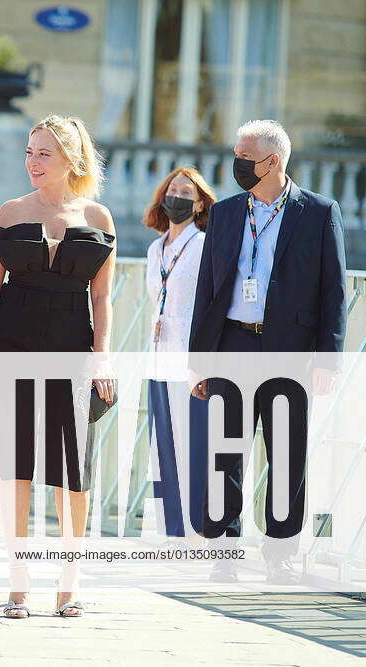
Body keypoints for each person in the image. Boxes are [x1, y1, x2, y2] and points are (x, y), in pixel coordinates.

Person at [0, 115, 116, 618]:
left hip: (73, 350)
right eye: (30, 152)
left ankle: (70, 580)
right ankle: (18, 579)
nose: (33, 162)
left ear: (71, 158)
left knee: (71, 472)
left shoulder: (98, 218)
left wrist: (102, 361)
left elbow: (103, 299)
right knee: (17, 469)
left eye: (44, 153)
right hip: (12, 345)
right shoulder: (10, 211)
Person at [189, 119, 346, 584]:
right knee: (224, 452)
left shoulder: (318, 212)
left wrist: (327, 359)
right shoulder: (226, 212)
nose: (235, 164)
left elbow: (334, 292)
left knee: (286, 453)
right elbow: (207, 289)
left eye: (243, 156)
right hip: (232, 344)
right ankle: (224, 547)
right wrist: (200, 361)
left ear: (272, 161)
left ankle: (279, 552)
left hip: (289, 350)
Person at [143, 167, 214, 538]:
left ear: (199, 202)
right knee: (161, 446)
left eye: (186, 192)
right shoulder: (155, 249)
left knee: (191, 444)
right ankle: (169, 530)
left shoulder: (204, 245)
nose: (178, 196)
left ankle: (196, 526)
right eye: (172, 190)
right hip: (157, 358)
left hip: (189, 361)